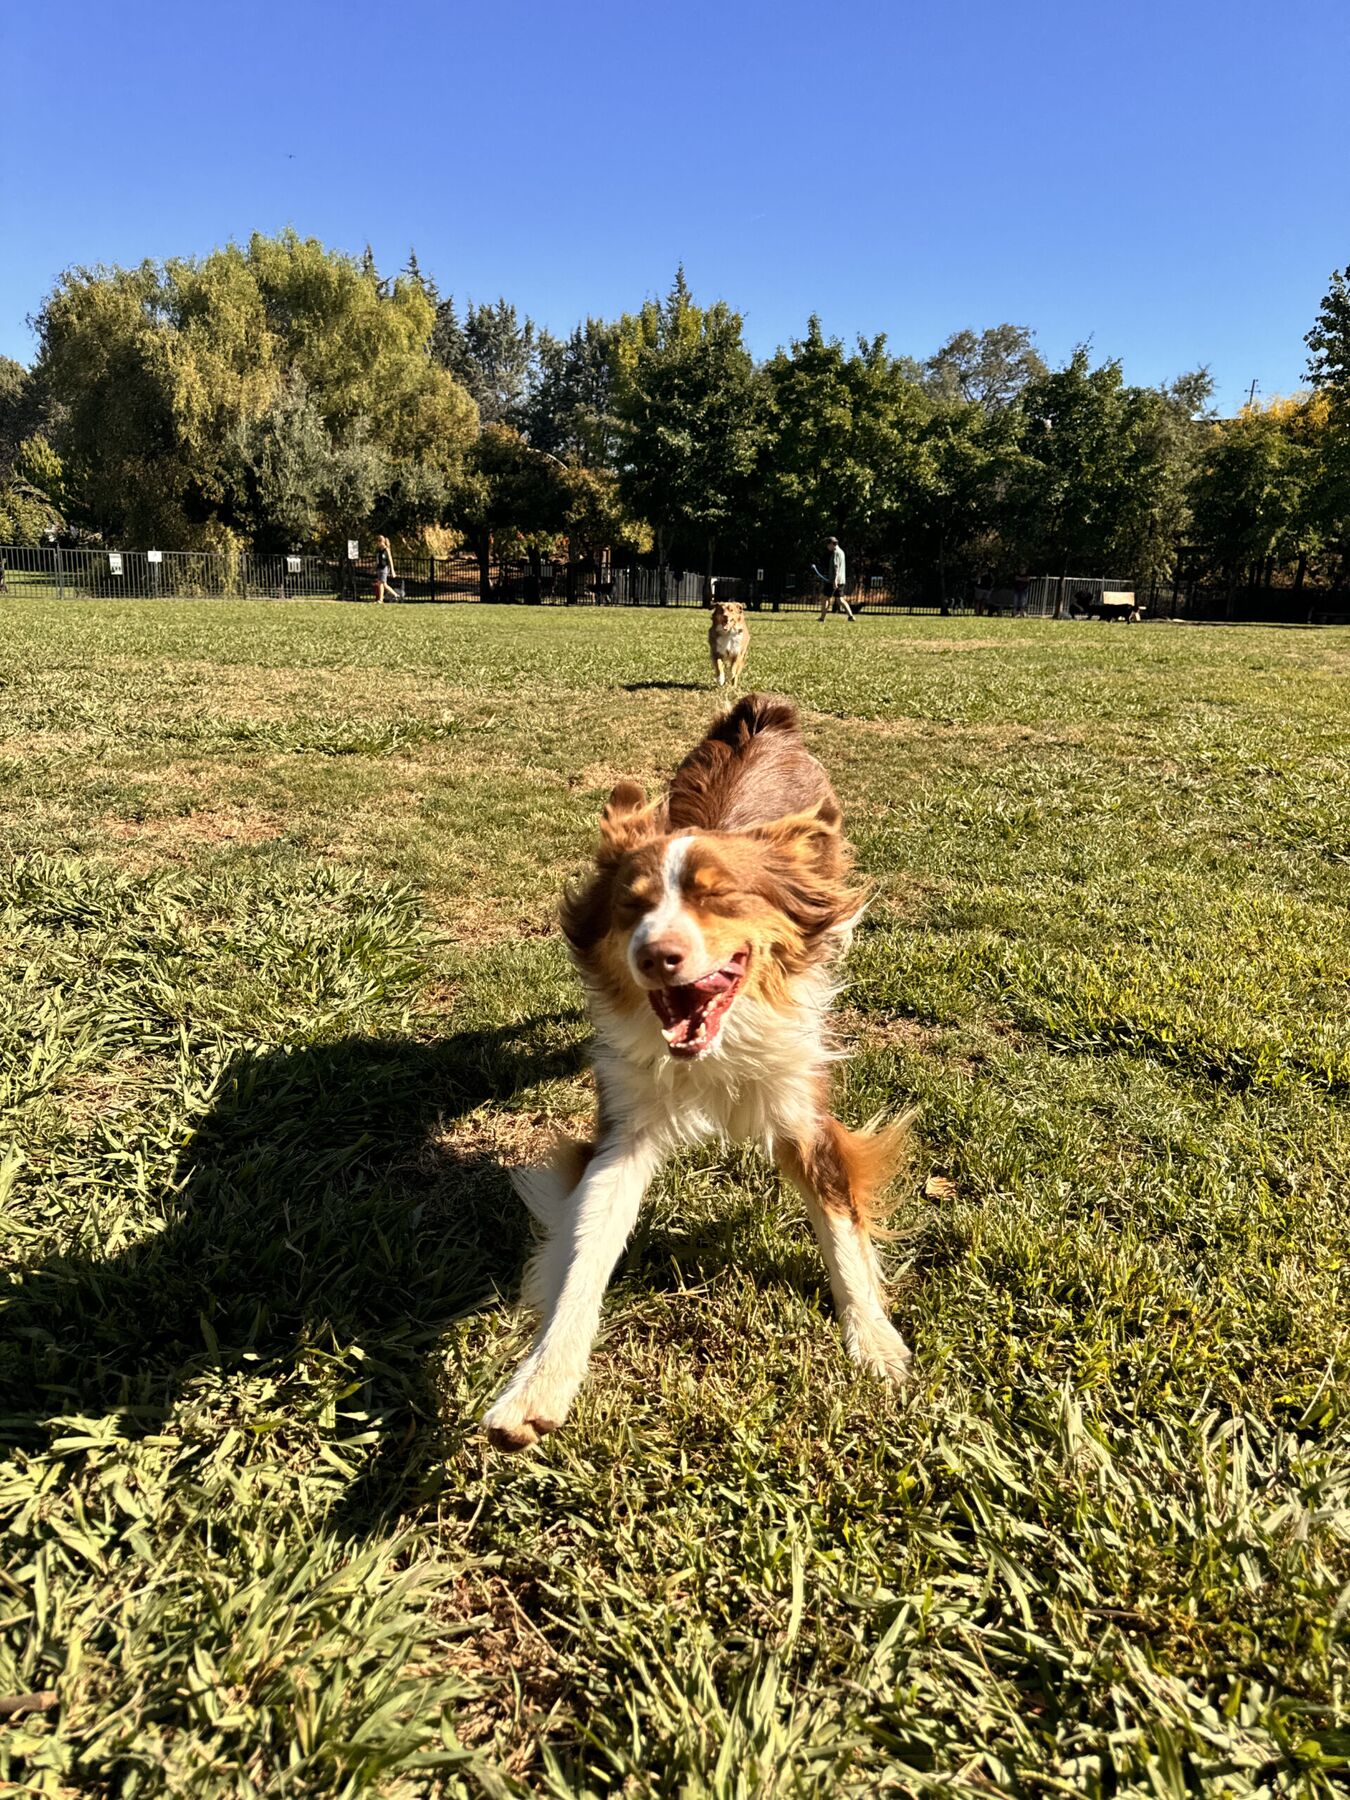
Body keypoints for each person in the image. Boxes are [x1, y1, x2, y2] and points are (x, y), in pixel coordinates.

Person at [815, 536, 854, 621]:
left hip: (834, 580)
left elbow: (836, 567)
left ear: (832, 544)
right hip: (842, 580)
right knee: (840, 599)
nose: (827, 547)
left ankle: (822, 618)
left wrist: (835, 580)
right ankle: (851, 616)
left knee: (825, 598)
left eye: (828, 545)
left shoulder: (835, 553)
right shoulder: (842, 552)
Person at [373, 535, 404, 604]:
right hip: (379, 568)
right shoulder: (379, 550)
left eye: (378, 542)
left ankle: (380, 600)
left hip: (384, 568)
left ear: (381, 541)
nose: (377, 544)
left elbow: (390, 559)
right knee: (384, 584)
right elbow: (378, 560)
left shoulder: (386, 549)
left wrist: (392, 570)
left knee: (381, 583)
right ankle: (396, 595)